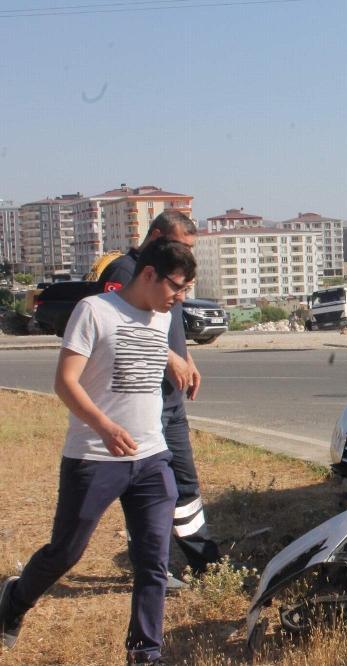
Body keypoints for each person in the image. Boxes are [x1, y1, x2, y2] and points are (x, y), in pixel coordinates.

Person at [0, 239, 196, 663]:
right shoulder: (93, 312)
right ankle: (13, 601)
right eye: (177, 287)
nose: (180, 298)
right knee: (65, 552)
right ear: (149, 275)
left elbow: (143, 340)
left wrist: (177, 359)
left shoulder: (160, 317)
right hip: (95, 456)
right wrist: (105, 427)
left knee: (153, 561)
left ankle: (145, 653)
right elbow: (65, 382)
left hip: (151, 457)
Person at [99, 210, 220, 581]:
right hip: (140, 402)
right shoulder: (126, 272)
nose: (186, 255)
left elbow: (166, 326)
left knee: (185, 486)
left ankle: (206, 564)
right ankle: (153, 568)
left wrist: (187, 357)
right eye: (181, 245)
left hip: (170, 402)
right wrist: (169, 357)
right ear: (155, 236)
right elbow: (118, 330)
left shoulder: (172, 270)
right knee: (149, 491)